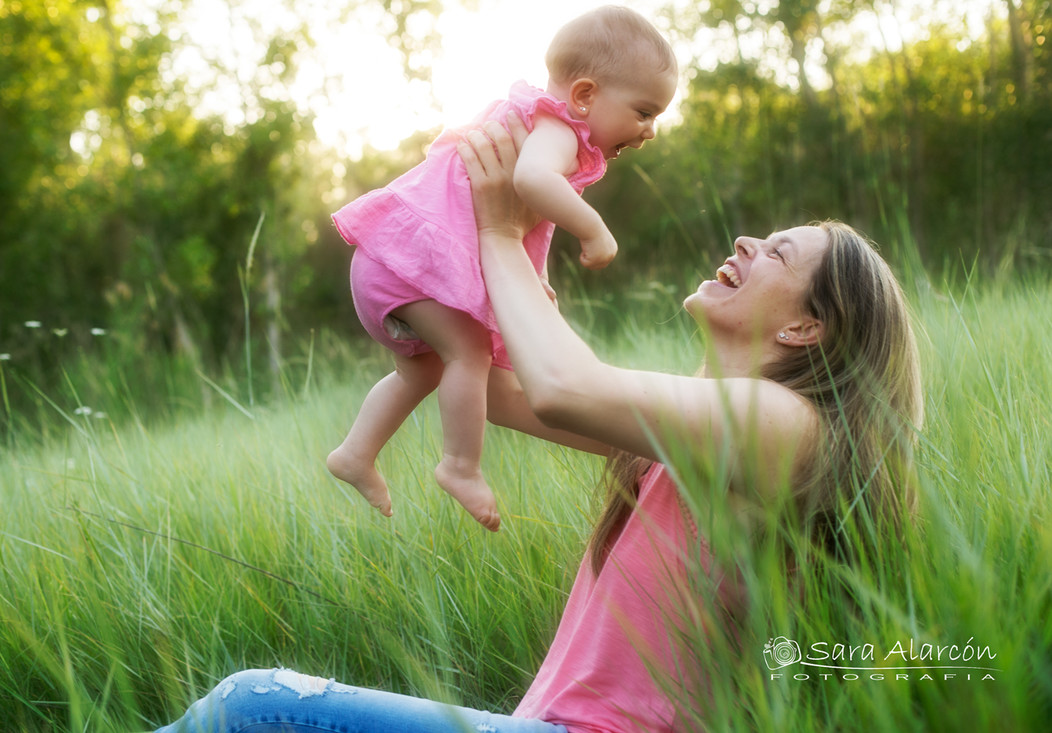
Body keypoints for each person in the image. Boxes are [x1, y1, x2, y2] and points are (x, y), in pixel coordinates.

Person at [154, 117, 923, 731]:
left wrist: (496, 234)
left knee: (253, 705)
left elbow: (560, 386)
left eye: (778, 253)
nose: (747, 242)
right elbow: (498, 387)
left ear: (807, 329)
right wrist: (419, 272)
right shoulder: (696, 428)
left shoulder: (787, 425)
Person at [327, 6, 678, 531]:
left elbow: (505, 223)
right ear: (584, 96)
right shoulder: (558, 129)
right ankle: (460, 465)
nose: (650, 131)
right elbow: (533, 184)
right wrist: (594, 229)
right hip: (410, 263)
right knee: (467, 352)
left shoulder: (537, 121)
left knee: (421, 370)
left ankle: (355, 453)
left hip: (389, 262)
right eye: (645, 111)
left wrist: (535, 281)